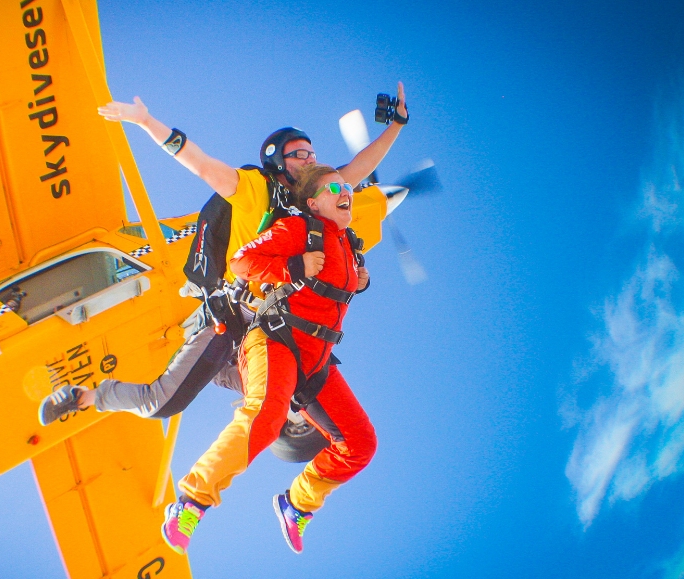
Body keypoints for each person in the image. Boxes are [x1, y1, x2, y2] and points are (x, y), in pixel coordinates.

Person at [38, 88, 407, 430]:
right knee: (160, 404)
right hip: (232, 314)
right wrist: (146, 121)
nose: (311, 159)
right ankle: (84, 396)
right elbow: (199, 163)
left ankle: (274, 416)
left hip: (269, 324)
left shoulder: (318, 200)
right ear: (278, 160)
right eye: (300, 154)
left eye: (313, 153)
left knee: (291, 389)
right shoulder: (253, 189)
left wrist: (396, 126)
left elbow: (359, 168)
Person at [162, 164, 374, 555]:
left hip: (316, 358)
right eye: (336, 187)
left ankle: (296, 505)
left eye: (349, 187)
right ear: (312, 202)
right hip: (276, 338)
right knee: (264, 417)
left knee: (360, 443)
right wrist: (293, 266)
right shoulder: (299, 228)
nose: (347, 191)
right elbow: (242, 263)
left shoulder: (346, 242)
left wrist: (360, 280)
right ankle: (191, 502)